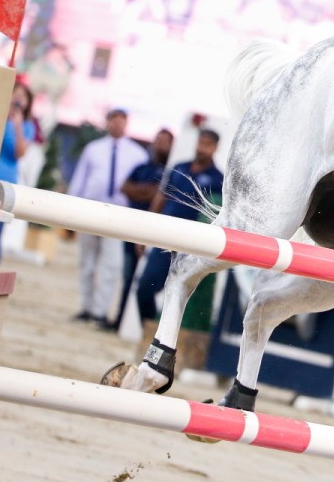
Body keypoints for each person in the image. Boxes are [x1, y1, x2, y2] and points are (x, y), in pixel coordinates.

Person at [67, 108, 148, 328]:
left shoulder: (137, 154)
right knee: (87, 262)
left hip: (119, 214)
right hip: (90, 209)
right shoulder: (93, 149)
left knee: (111, 265)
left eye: (121, 121)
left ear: (126, 124)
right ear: (108, 122)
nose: (117, 125)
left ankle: (100, 312)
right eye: (114, 121)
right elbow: (80, 178)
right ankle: (86, 307)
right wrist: (71, 211)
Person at [135, 129, 224, 323]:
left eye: (207, 145)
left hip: (191, 245)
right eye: (201, 143)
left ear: (215, 148)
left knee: (178, 296)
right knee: (144, 288)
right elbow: (161, 197)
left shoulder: (218, 180)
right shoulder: (179, 167)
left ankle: (163, 333)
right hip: (165, 239)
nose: (202, 148)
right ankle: (148, 328)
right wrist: (144, 231)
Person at [113, 127, 173, 329]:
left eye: (165, 141)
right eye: (158, 140)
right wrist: (146, 192)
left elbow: (157, 194)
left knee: (143, 279)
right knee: (127, 276)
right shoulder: (141, 167)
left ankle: (140, 324)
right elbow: (124, 187)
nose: (160, 145)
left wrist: (140, 191)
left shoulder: (170, 172)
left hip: (153, 231)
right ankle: (120, 319)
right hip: (132, 227)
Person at [0, 82, 40, 265]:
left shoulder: (28, 126)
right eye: (15, 93)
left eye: (23, 96)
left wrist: (17, 126)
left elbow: (19, 152)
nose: (18, 98)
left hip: (5, 183)